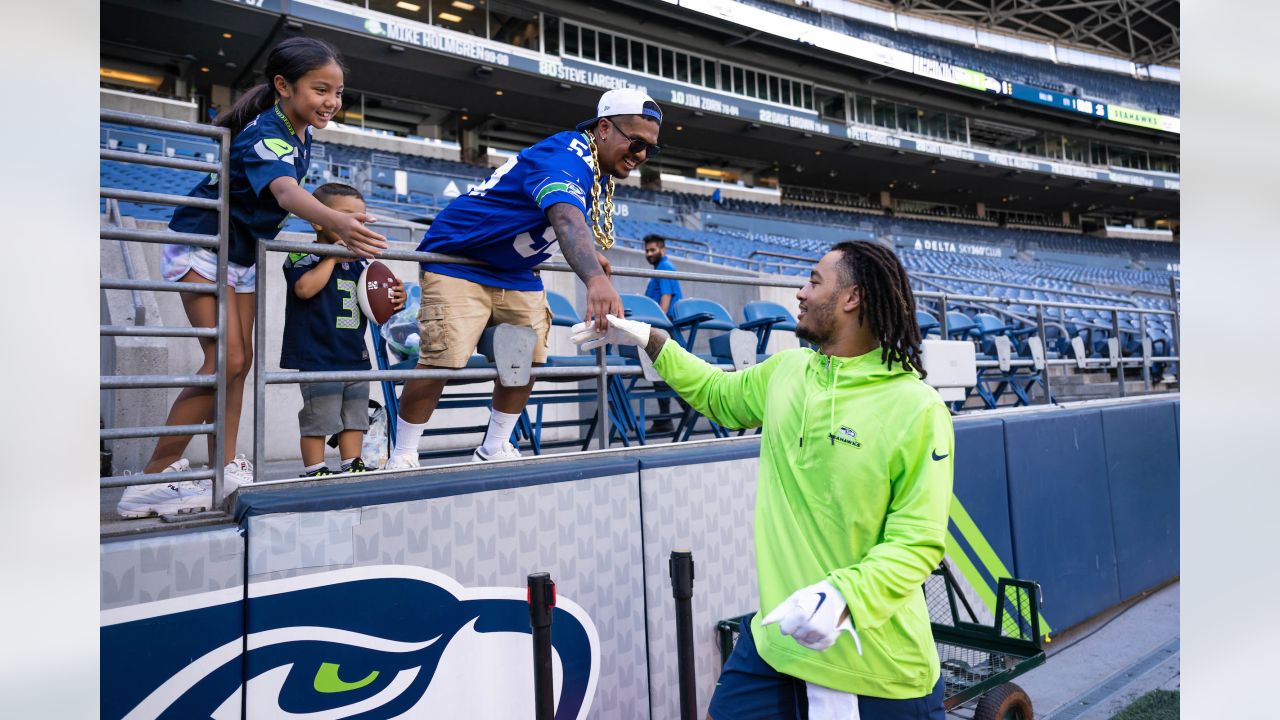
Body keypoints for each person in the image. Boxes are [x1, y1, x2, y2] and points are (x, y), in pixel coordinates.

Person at [571, 240, 954, 719]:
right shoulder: (788, 371)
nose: (800, 292)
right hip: (777, 642)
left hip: (875, 667)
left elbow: (916, 543)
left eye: (814, 281)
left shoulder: (917, 408)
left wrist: (842, 597)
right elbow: (718, 393)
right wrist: (652, 340)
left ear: (852, 298)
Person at [117, 38, 388, 518]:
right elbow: (284, 192)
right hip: (204, 245)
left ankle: (224, 467)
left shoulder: (301, 132)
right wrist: (335, 220)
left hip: (240, 254)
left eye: (339, 92)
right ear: (284, 86)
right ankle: (152, 477)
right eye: (321, 89)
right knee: (225, 358)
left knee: (239, 365)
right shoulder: (269, 132)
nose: (332, 102)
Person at [384, 88, 664, 468]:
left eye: (650, 148)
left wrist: (589, 254)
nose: (641, 156)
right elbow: (565, 217)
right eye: (635, 143)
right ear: (602, 128)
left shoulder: (595, 167)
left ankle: (493, 446)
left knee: (527, 360)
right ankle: (402, 455)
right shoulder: (568, 153)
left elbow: (555, 218)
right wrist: (594, 278)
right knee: (442, 360)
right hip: (460, 259)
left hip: (515, 270)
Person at [281, 184, 405, 477]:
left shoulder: (363, 263)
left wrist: (396, 297)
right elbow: (304, 289)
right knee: (319, 416)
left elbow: (377, 306)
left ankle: (352, 463)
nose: (356, 224)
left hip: (353, 353)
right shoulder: (304, 255)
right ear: (317, 220)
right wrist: (333, 258)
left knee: (355, 416)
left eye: (361, 219)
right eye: (347, 216)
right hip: (317, 354)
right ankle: (314, 468)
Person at [642, 234, 683, 434]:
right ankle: (665, 419)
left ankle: (690, 409)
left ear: (663, 250)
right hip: (661, 327)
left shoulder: (665, 267)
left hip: (664, 327)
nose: (649, 253)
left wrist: (659, 324)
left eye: (653, 250)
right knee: (660, 373)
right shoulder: (659, 269)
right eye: (647, 250)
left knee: (669, 373)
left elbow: (666, 298)